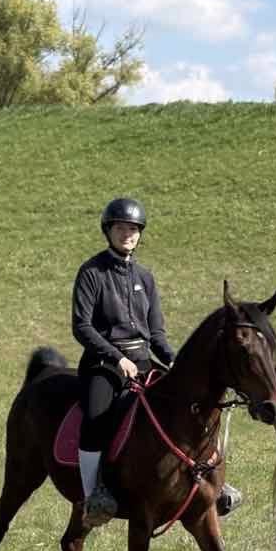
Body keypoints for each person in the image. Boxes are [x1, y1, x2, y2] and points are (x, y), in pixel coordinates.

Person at [69, 196, 242, 528]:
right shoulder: (91, 272)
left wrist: (175, 363)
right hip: (103, 365)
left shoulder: (145, 277)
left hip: (144, 361)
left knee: (194, 407)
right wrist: (116, 358)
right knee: (95, 417)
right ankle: (94, 495)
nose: (128, 234)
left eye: (133, 229)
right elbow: (82, 326)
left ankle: (213, 480)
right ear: (108, 230)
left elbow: (156, 333)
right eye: (121, 228)